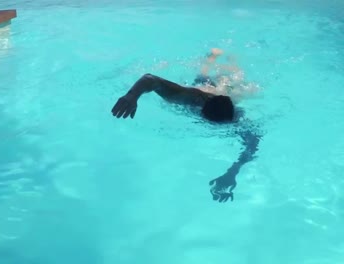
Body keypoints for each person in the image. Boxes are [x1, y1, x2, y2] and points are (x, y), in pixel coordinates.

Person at [111, 48, 261, 202]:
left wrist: (232, 172)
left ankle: (229, 58)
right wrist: (132, 95)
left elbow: (253, 142)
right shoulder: (188, 98)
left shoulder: (236, 117)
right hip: (201, 91)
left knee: (236, 88)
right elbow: (150, 79)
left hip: (222, 98)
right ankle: (211, 56)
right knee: (202, 78)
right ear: (201, 112)